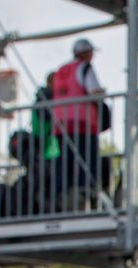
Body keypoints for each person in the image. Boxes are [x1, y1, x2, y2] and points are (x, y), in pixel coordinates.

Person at [52, 37, 106, 208]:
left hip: (61, 124)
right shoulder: (85, 68)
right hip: (82, 123)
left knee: (65, 163)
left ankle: (62, 197)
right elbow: (94, 92)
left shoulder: (61, 70)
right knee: (87, 162)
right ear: (86, 53)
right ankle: (86, 196)